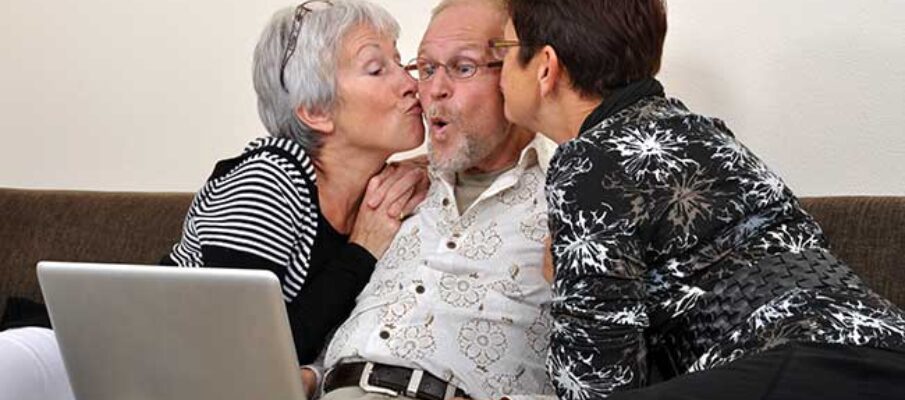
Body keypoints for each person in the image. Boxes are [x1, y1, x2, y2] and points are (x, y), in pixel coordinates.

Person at [0, 1, 427, 399]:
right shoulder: (270, 178)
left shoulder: (382, 199)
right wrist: (361, 252)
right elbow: (239, 355)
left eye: (400, 60)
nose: (411, 83)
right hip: (85, 359)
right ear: (316, 111)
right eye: (376, 68)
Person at [496, 0, 905, 399]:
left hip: (802, 366)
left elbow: (594, 384)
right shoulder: (703, 131)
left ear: (546, 67)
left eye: (504, 49)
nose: (496, 70)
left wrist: (564, 282)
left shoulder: (587, 160)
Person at [316, 1, 557, 399]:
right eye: (426, 69)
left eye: (463, 68)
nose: (433, 89)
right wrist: (310, 372)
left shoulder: (569, 199)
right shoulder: (390, 189)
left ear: (518, 74)